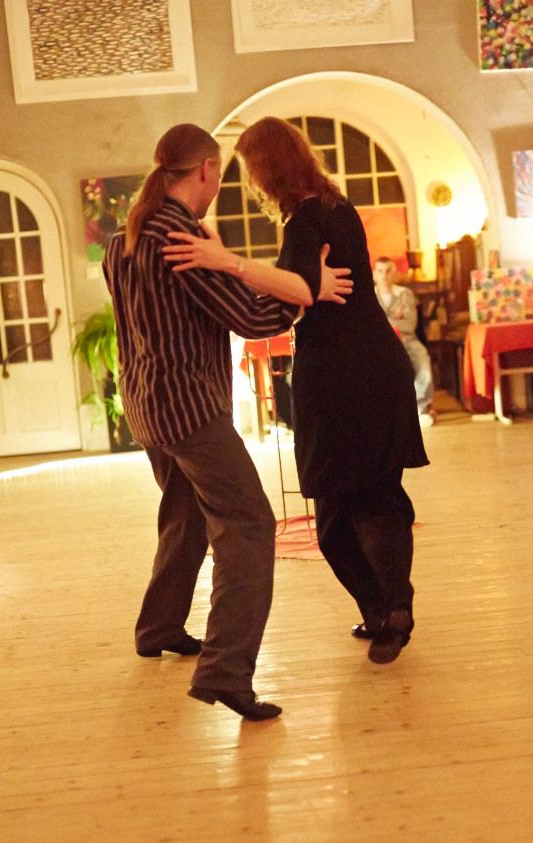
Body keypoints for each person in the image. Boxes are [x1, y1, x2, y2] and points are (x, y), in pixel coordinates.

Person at [102, 123, 352, 721]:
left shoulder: (122, 238)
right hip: (189, 408)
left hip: (146, 405)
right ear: (207, 170)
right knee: (249, 525)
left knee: (185, 512)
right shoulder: (182, 239)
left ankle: (159, 627)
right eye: (220, 175)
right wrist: (307, 288)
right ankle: (226, 671)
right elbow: (252, 319)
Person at [163, 117, 429, 665]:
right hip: (378, 365)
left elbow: (299, 291)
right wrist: (294, 281)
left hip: (336, 375)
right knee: (381, 497)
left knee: (334, 516)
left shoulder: (306, 219)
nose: (251, 182)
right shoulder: (337, 206)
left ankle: (384, 610)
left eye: (251, 168)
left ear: (267, 167)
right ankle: (392, 609)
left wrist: (226, 262)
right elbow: (306, 286)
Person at [373, 256, 436, 429]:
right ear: (374, 274)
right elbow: (369, 326)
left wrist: (385, 321)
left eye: (388, 271)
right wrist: (395, 318)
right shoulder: (369, 297)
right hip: (380, 344)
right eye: (380, 271)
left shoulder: (405, 294)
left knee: (422, 361)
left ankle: (421, 408)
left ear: (394, 273)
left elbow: (410, 324)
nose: (384, 275)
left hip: (407, 339)